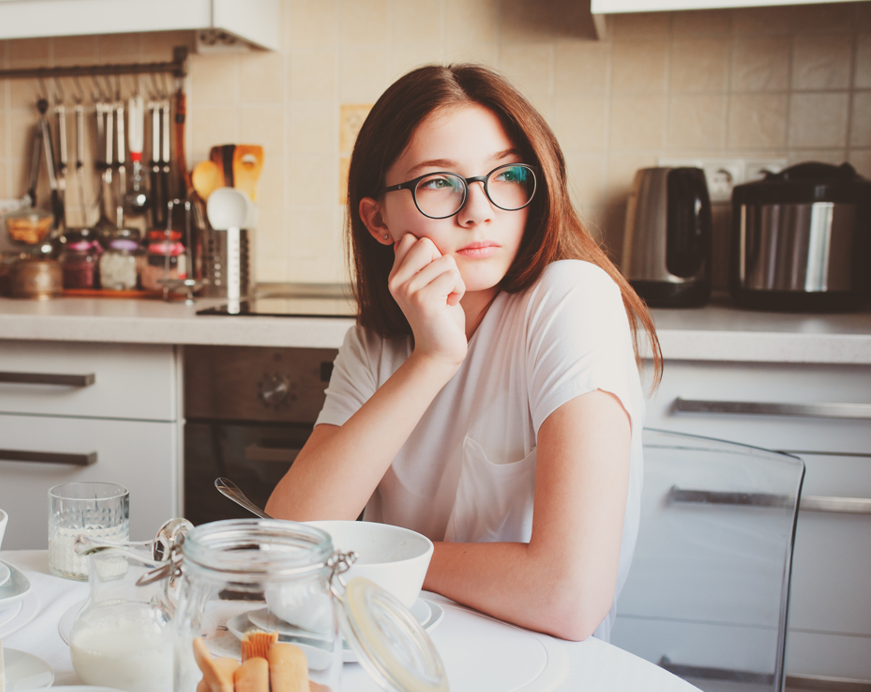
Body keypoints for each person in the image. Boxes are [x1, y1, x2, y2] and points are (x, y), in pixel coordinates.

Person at [265, 64, 659, 642]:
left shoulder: (571, 300)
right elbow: (287, 541)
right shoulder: (376, 341)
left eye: (506, 175)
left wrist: (370, 560)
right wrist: (432, 360)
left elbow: (567, 595)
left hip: (534, 668)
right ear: (377, 219)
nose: (480, 210)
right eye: (439, 184)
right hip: (395, 649)